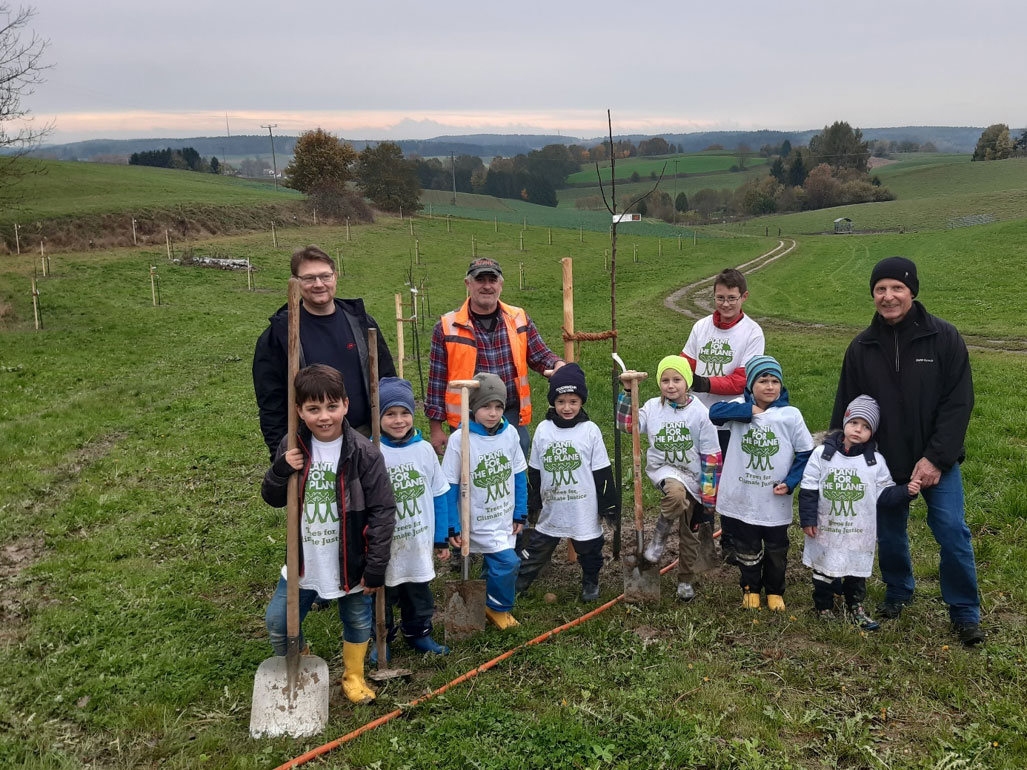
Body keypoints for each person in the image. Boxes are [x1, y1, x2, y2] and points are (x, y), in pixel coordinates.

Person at [831, 256, 983, 645]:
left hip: (937, 460)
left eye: (897, 288)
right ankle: (898, 591)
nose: (888, 296)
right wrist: (838, 452)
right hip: (882, 462)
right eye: (880, 289)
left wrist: (936, 458)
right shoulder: (861, 346)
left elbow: (958, 403)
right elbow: (846, 405)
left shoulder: (944, 338)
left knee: (951, 531)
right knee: (889, 534)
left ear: (912, 291)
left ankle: (964, 610)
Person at [261, 365, 396, 704]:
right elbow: (273, 498)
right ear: (299, 410)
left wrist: (376, 565)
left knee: (357, 618)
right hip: (305, 559)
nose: (324, 417)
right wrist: (280, 470)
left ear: (346, 405)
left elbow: (383, 510)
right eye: (313, 408)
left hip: (351, 558)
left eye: (332, 406)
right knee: (279, 621)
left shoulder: (364, 452)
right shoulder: (292, 446)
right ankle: (302, 663)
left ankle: (354, 676)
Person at [253, 245, 396, 462]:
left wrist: (392, 432)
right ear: (296, 282)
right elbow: (271, 402)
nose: (319, 284)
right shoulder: (280, 335)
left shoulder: (361, 323)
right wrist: (280, 453)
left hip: (365, 439)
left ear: (335, 277)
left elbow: (386, 378)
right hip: (310, 447)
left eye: (325, 276)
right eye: (309, 278)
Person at [799, 395, 921, 631]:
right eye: (854, 422)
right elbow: (809, 488)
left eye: (866, 426)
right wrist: (808, 518)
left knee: (856, 569)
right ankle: (823, 605)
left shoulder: (875, 461)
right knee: (824, 565)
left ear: (872, 432)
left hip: (858, 529)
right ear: (845, 422)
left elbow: (883, 494)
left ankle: (856, 606)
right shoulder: (822, 454)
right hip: (826, 525)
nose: (858, 429)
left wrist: (906, 492)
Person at [426, 257, 563, 461]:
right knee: (472, 472)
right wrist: (436, 428)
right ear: (468, 284)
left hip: (509, 414)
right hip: (468, 418)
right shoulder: (447, 326)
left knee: (514, 468)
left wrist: (558, 365)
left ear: (500, 285)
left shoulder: (518, 318)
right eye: (480, 280)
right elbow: (437, 381)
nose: (487, 286)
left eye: (492, 280)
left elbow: (540, 355)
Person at [710, 355, 814, 612]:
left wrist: (791, 482)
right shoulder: (739, 408)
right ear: (750, 385)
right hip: (744, 497)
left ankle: (775, 591)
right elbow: (714, 413)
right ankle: (750, 589)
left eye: (775, 381)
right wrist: (750, 411)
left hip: (775, 498)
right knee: (747, 547)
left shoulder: (790, 415)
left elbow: (805, 452)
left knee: (777, 548)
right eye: (763, 381)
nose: (769, 387)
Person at [616, 356, 722, 602]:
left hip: (693, 477)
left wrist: (708, 496)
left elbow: (711, 456)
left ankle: (685, 579)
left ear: (688, 382)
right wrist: (628, 392)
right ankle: (658, 539)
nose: (671, 385)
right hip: (665, 469)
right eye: (665, 380)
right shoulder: (653, 408)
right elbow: (627, 425)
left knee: (690, 534)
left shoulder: (700, 413)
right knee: (675, 495)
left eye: (677, 380)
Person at [517, 364, 619, 602]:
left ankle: (590, 583)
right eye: (561, 401)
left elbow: (603, 473)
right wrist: (533, 503)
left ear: (581, 401)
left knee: (590, 550)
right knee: (536, 550)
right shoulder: (543, 430)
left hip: (582, 509)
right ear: (553, 401)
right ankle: (518, 584)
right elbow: (535, 471)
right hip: (553, 508)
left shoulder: (590, 431)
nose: (567, 407)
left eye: (573, 401)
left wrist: (609, 506)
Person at [441, 372, 527, 629]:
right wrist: (452, 524)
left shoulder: (509, 434)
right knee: (508, 562)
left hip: (502, 515)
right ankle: (497, 606)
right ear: (473, 407)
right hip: (475, 519)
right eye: (486, 406)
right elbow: (449, 486)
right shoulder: (460, 440)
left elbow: (519, 474)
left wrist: (520, 510)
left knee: (498, 561)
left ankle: (488, 594)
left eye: (498, 407)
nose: (493, 413)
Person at [375, 377, 452, 659]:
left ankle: (419, 633)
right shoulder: (373, 452)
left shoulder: (424, 451)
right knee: (380, 595)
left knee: (418, 592)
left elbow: (439, 494)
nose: (398, 421)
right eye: (390, 414)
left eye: (404, 413)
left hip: (417, 541)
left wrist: (441, 538)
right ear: (377, 416)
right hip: (383, 544)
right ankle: (381, 639)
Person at [681, 268, 765, 454]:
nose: (726, 304)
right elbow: (685, 363)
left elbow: (742, 380)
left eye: (732, 298)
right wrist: (673, 374)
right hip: (696, 414)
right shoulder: (700, 326)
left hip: (729, 420)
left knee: (724, 469)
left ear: (744, 296)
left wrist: (704, 384)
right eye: (720, 298)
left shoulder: (753, 332)